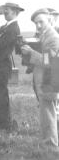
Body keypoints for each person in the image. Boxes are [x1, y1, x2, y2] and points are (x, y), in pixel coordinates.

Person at [21, 9, 59, 147]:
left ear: (49, 19)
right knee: (48, 112)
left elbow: (50, 62)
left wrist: (31, 52)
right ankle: (50, 142)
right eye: (36, 23)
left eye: (40, 22)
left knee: (48, 113)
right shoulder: (44, 35)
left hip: (49, 80)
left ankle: (50, 145)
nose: (38, 26)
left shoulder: (53, 37)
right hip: (45, 80)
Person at [0, 3, 24, 130]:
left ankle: (4, 124)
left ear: (15, 12)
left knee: (0, 95)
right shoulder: (4, 27)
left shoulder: (13, 28)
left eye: (8, 10)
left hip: (0, 67)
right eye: (5, 10)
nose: (5, 11)